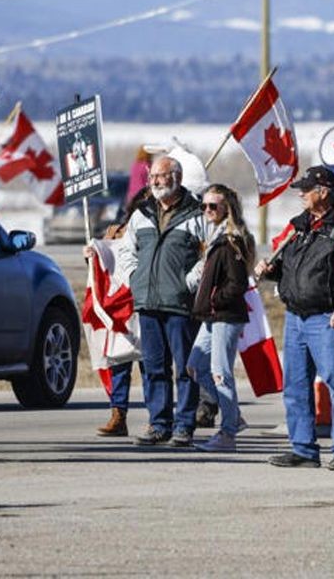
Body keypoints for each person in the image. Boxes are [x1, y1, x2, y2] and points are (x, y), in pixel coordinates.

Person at [255, 166, 334, 471]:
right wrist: (269, 270)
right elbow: (283, 263)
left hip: (327, 318)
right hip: (295, 318)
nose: (300, 194)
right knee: (295, 386)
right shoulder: (298, 226)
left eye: (306, 189)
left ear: (323, 192)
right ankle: (304, 449)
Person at [115, 156, 206, 446]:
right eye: (151, 175)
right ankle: (159, 424)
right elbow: (126, 251)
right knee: (154, 367)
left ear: (176, 177)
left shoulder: (197, 214)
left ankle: (184, 425)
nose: (153, 181)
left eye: (160, 176)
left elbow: (209, 255)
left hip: (180, 304)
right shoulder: (141, 214)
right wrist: (134, 279)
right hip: (147, 303)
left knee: (185, 368)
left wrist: (188, 283)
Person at [187, 184, 255, 453]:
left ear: (227, 208)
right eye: (204, 206)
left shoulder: (232, 239)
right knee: (195, 366)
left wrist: (215, 300)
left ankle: (228, 433)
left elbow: (237, 284)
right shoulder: (214, 236)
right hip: (210, 317)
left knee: (220, 374)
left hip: (225, 316)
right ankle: (233, 415)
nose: (207, 211)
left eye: (213, 206)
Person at [88, 187, 150, 438]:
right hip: (119, 307)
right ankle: (118, 414)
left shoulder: (154, 231)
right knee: (119, 362)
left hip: (145, 301)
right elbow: (104, 265)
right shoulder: (115, 231)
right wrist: (91, 256)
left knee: (151, 364)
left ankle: (156, 418)